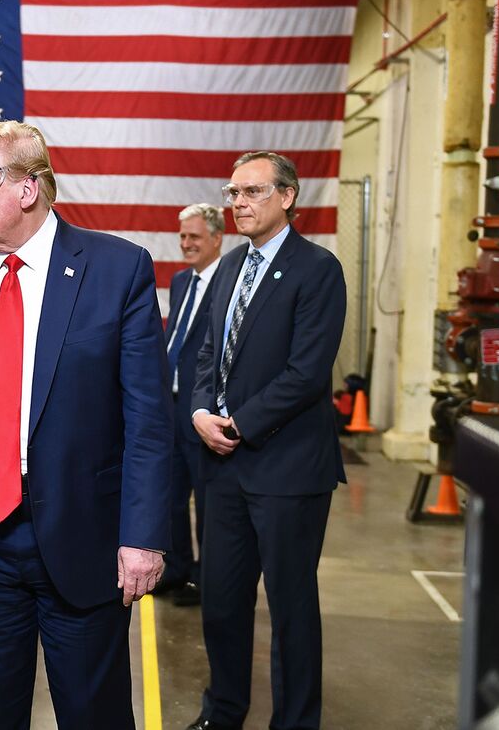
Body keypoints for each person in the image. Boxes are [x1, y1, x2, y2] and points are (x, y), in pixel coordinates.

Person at [0, 120, 172, 729]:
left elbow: (148, 419)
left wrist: (144, 534)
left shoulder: (117, 270)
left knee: (93, 713)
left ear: (29, 187)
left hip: (86, 539)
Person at [186, 152, 346, 730]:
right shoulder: (229, 268)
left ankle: (295, 722)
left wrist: (239, 424)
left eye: (252, 192)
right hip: (223, 467)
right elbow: (207, 353)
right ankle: (223, 710)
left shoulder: (317, 269)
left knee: (291, 609)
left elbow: (306, 373)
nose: (239, 203)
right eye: (233, 193)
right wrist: (202, 412)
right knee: (222, 602)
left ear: (288, 196)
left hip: (287, 469)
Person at [156, 203, 223, 608]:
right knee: (171, 495)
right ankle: (177, 568)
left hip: (202, 407)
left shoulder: (228, 281)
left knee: (207, 497)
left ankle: (205, 578)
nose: (186, 243)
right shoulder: (182, 281)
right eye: (183, 236)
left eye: (194, 236)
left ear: (217, 237)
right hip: (172, 403)